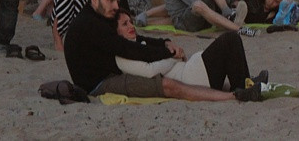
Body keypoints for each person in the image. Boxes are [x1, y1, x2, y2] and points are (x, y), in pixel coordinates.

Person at [64, 0, 262, 102]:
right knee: (165, 85)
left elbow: (135, 40)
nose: (116, 5)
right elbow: (128, 50)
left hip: (110, 69)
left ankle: (245, 85)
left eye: (117, 1)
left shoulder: (101, 17)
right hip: (99, 83)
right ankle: (239, 91)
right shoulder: (90, 25)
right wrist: (168, 53)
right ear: (94, 0)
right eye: (110, 1)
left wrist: (164, 43)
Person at [114, 10, 267, 93]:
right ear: (115, 31)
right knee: (230, 39)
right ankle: (243, 87)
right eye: (125, 24)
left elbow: (161, 44)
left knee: (229, 45)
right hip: (192, 78)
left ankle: (245, 82)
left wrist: (171, 49)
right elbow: (149, 72)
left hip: (192, 70)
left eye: (131, 22)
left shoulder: (137, 43)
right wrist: (174, 57)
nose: (131, 26)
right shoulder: (121, 56)